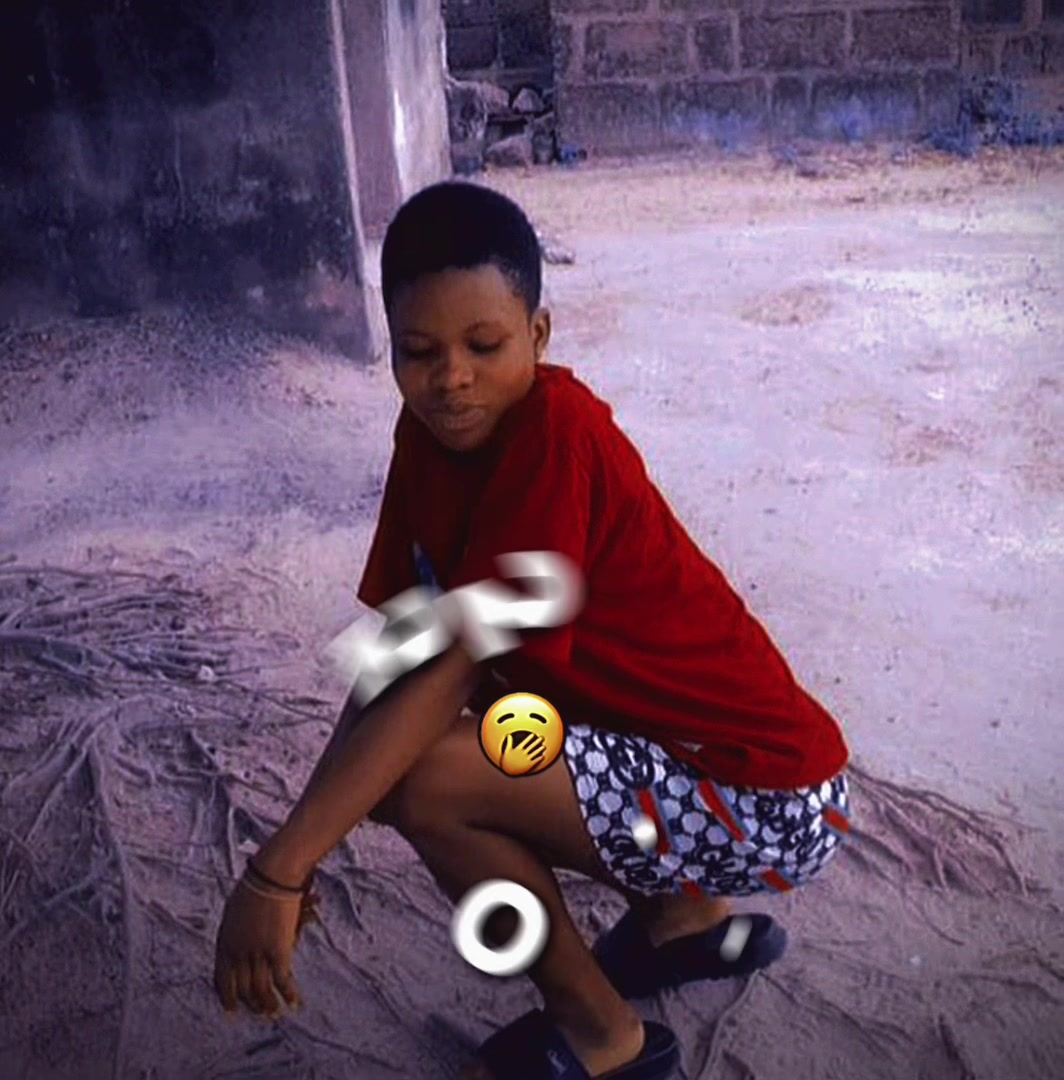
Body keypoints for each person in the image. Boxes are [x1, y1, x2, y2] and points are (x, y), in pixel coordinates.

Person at [213, 180, 852, 1080]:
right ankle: (680, 921)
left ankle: (602, 1036)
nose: (451, 379)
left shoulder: (556, 434)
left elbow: (451, 664)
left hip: (769, 797)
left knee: (424, 781)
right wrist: (295, 853)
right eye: (419, 352)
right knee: (409, 753)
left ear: (539, 336)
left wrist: (280, 869)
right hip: (685, 760)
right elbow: (400, 645)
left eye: (485, 346)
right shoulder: (428, 437)